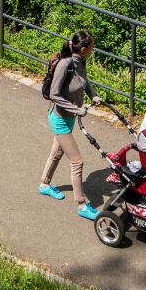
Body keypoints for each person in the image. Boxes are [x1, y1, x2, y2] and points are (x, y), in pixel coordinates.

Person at [39, 30, 102, 220]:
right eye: (91, 47)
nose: (93, 49)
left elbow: (84, 80)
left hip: (68, 118)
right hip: (59, 119)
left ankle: (44, 184)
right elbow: (54, 94)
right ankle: (82, 204)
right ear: (83, 49)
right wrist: (76, 109)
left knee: (57, 153)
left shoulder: (81, 61)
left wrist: (93, 95)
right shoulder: (65, 64)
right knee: (77, 161)